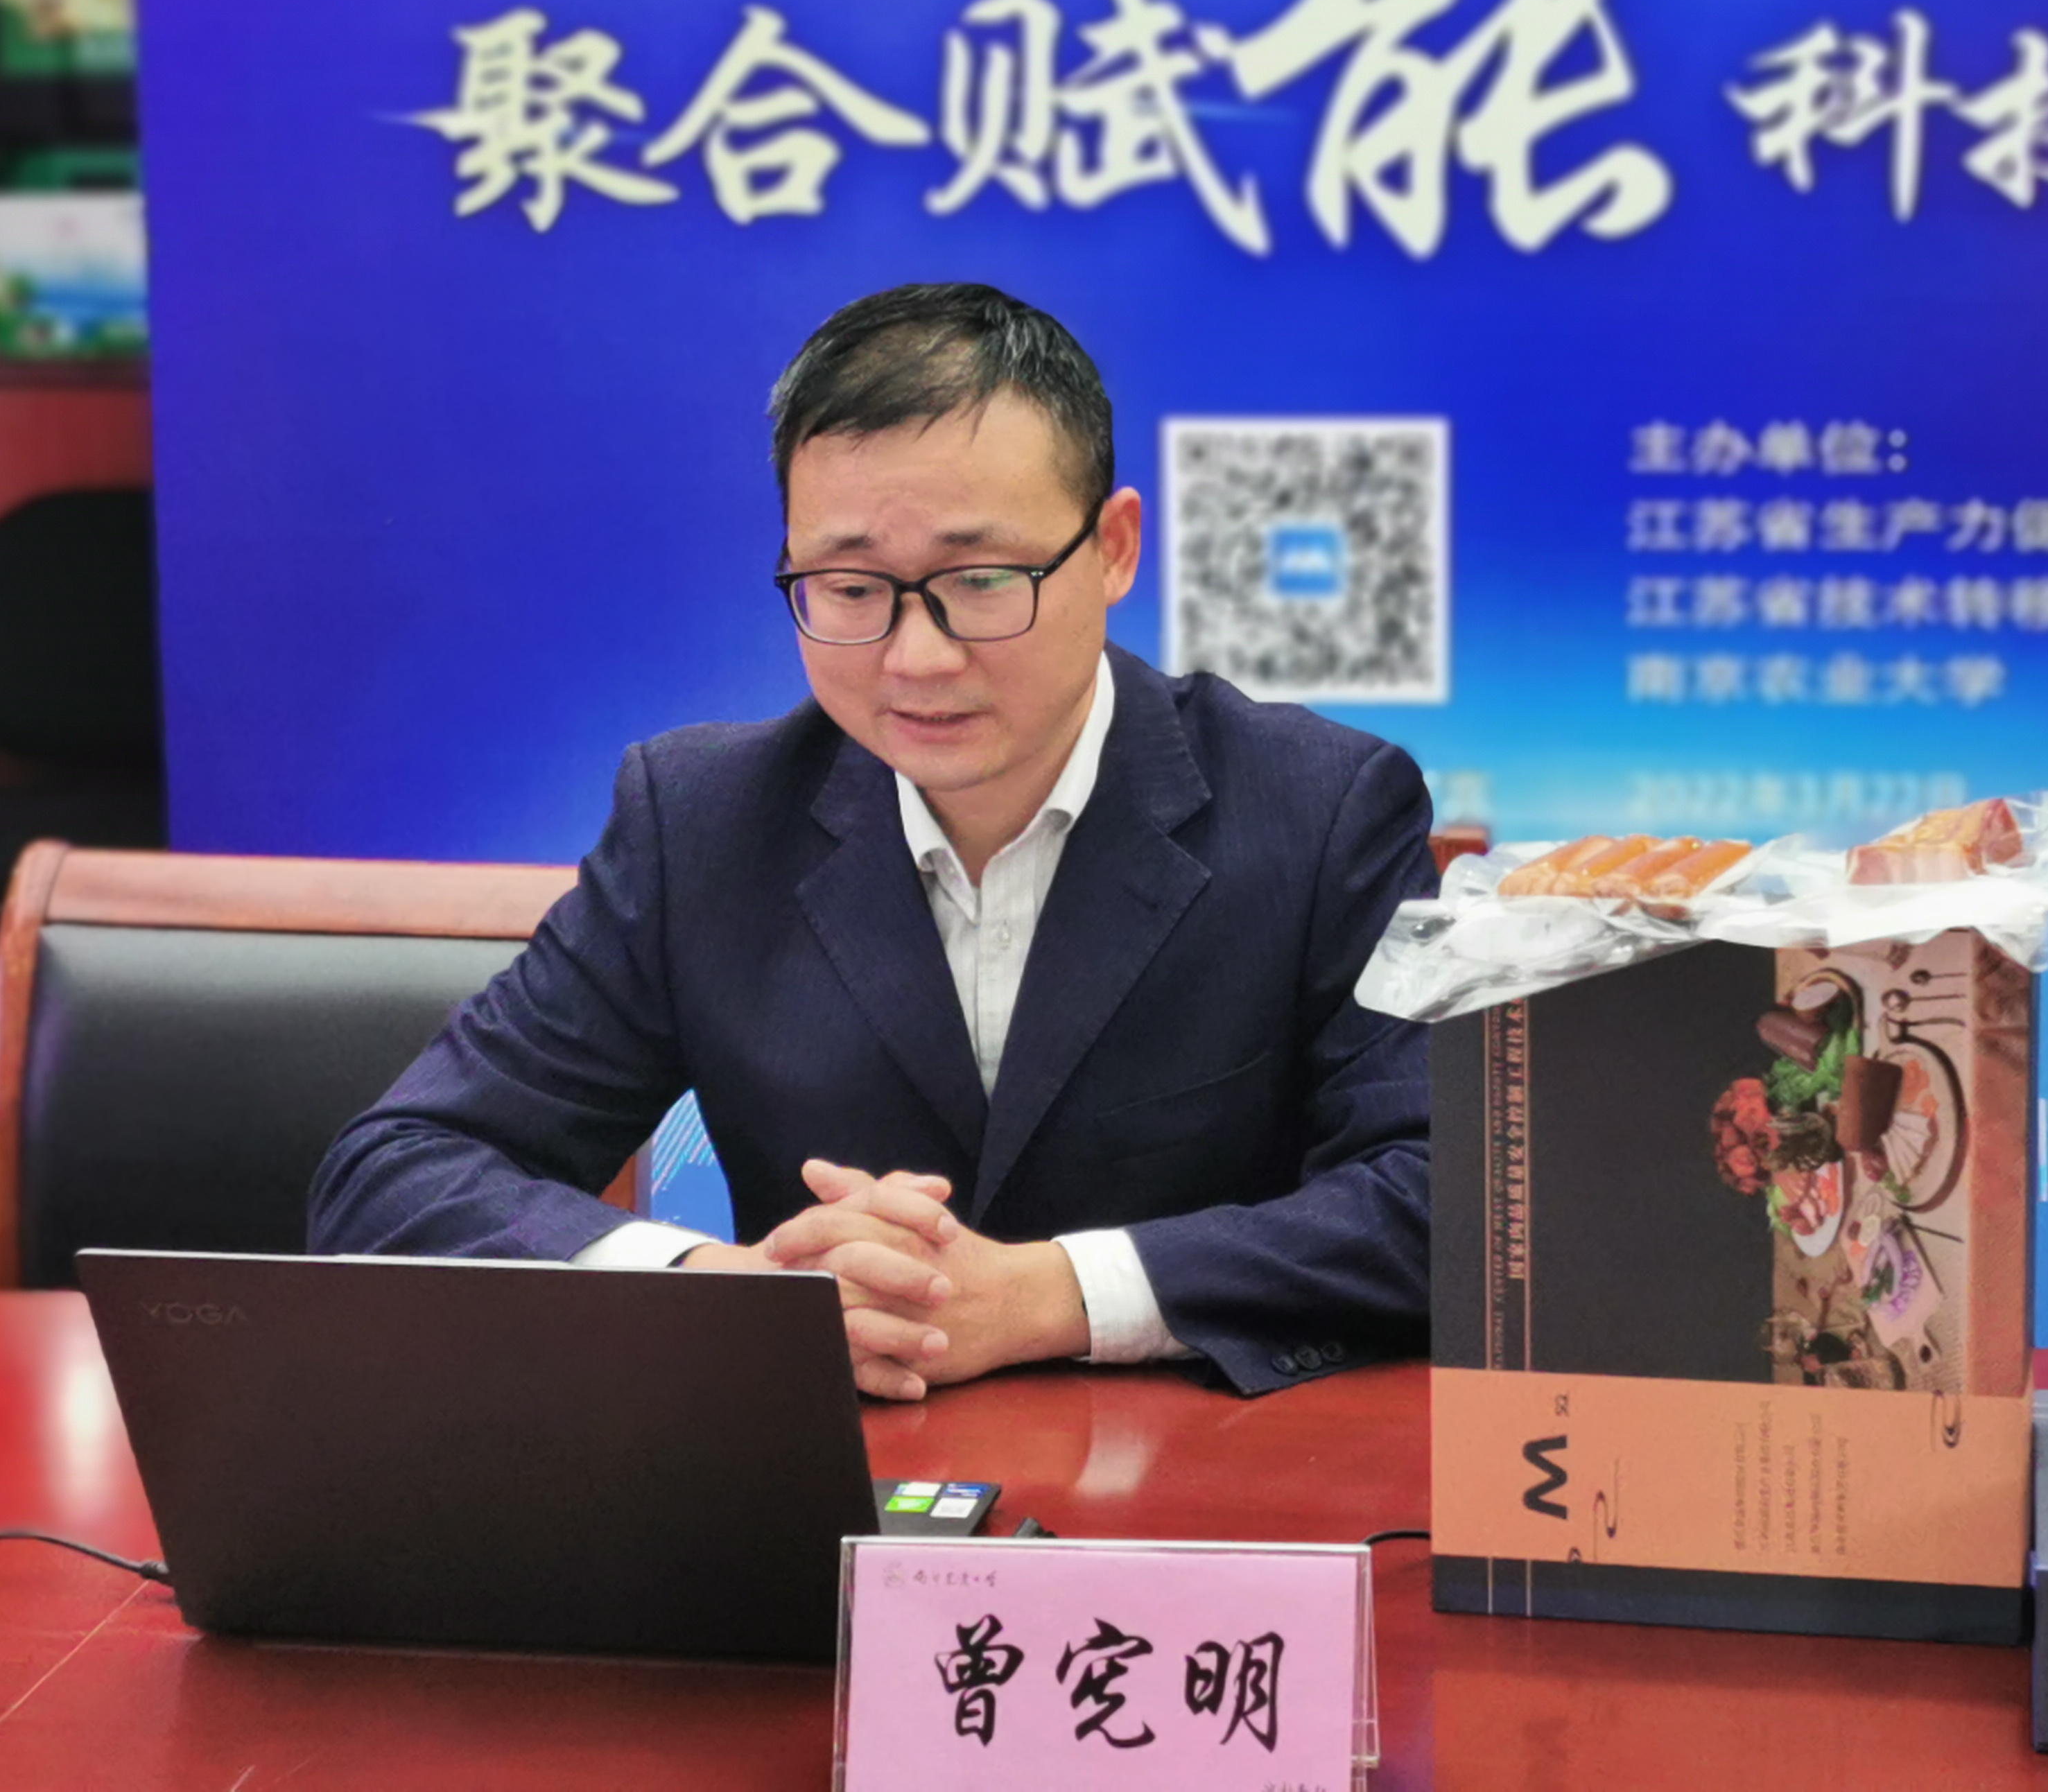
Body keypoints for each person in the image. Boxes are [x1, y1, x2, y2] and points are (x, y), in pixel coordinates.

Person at [309, 282, 1434, 1399]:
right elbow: (395, 1175)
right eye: (851, 588)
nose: (917, 657)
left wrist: (1053, 1294)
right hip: (830, 1469)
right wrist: (732, 1293)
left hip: (1208, 1472)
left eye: (980, 581)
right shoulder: (699, 822)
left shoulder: (1320, 809)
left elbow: (1449, 1199)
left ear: (1113, 548)